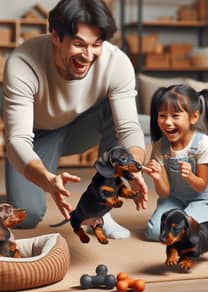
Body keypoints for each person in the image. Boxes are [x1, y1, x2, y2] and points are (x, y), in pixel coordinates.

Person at [1, 0, 148, 237]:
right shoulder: (22, 63)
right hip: (37, 134)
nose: (88, 55)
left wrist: (134, 167)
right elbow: (18, 138)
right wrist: (47, 180)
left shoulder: (116, 63)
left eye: (96, 45)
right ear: (56, 37)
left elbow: (129, 127)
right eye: (79, 44)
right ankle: (17, 189)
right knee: (27, 215)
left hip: (82, 127)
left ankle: (101, 212)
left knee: (115, 109)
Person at [142, 84, 208, 241]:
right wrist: (157, 178)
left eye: (175, 116)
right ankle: (191, 213)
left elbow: (201, 185)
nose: (167, 122)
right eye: (162, 115)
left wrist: (190, 176)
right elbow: (164, 192)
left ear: (194, 117)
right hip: (175, 198)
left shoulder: (202, 143)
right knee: (154, 232)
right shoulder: (160, 146)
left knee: (187, 230)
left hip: (203, 197)